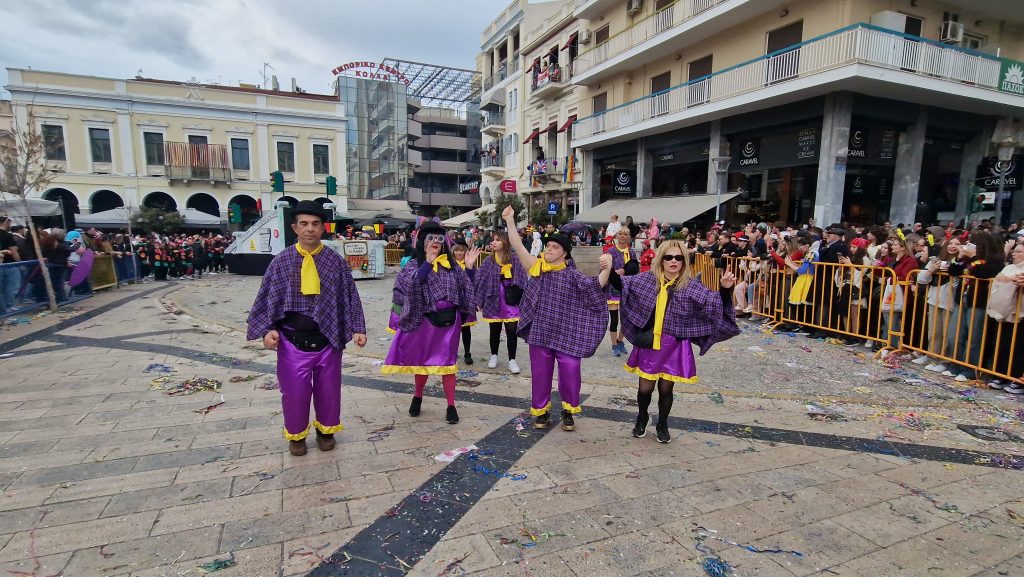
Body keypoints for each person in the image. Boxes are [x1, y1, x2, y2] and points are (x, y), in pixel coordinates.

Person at [248, 201, 367, 456]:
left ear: (323, 228)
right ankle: (297, 436)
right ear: (295, 228)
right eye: (304, 224)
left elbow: (351, 296)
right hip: (292, 340)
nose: (310, 229)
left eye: (315, 224)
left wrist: (358, 328)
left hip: (328, 338)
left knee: (329, 390)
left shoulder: (335, 262)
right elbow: (266, 297)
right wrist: (267, 329)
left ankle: (326, 431)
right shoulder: (281, 262)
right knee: (294, 393)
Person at [605, 240, 740, 443]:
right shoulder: (647, 280)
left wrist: (724, 290)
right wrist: (609, 268)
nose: (674, 261)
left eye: (678, 257)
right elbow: (623, 284)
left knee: (666, 389)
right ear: (661, 259)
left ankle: (663, 424)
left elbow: (712, 303)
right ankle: (642, 417)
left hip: (675, 344)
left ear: (684, 260)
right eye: (669, 257)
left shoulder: (690, 285)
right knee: (645, 389)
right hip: (651, 342)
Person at [500, 205, 608, 431]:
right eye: (548, 245)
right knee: (540, 373)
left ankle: (568, 410)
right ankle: (541, 411)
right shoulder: (537, 267)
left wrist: (606, 269)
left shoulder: (574, 275)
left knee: (570, 369)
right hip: (540, 330)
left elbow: (595, 287)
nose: (548, 249)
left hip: (566, 333)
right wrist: (510, 221)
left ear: (565, 252)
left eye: (554, 247)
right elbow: (518, 245)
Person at [382, 221, 476, 424]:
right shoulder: (413, 265)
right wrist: (428, 263)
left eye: (439, 238)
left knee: (448, 364)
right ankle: (417, 396)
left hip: (449, 323)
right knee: (422, 363)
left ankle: (451, 405)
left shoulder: (452, 267)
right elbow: (408, 288)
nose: (435, 242)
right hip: (423, 322)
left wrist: (468, 269)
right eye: (430, 238)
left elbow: (467, 289)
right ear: (422, 241)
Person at [472, 230, 526, 374]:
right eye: (492, 240)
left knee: (511, 330)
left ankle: (512, 360)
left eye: (497, 240)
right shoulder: (488, 260)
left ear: (505, 242)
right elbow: (480, 279)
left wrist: (510, 278)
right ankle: (494, 355)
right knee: (494, 330)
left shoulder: (515, 259)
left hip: (510, 299)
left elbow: (522, 279)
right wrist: (478, 300)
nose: (493, 242)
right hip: (492, 297)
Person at [606, 227, 638, 356]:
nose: (623, 236)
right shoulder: (611, 251)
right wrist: (614, 272)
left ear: (629, 237)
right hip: (614, 286)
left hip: (628, 287)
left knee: (626, 318)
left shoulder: (632, 252)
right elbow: (605, 268)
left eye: (625, 234)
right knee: (614, 319)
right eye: (620, 234)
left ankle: (620, 341)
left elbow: (635, 268)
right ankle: (614, 345)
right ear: (616, 236)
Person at [451, 238, 480, 365]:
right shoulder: (449, 265)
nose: (459, 253)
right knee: (452, 328)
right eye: (456, 250)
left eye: (461, 250)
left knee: (466, 329)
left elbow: (475, 284)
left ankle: (467, 352)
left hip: (466, 301)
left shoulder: (471, 266)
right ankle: (452, 351)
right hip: (453, 301)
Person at [0, 216, 22, 314]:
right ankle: (9, 306)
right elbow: (14, 251)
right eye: (9, 222)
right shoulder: (7, 235)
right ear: (5, 222)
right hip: (10, 264)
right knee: (12, 286)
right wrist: (19, 263)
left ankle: (3, 308)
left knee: (2, 287)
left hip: (1, 264)